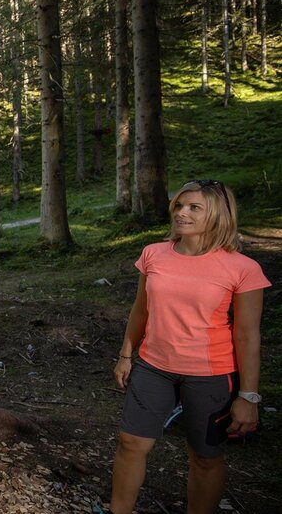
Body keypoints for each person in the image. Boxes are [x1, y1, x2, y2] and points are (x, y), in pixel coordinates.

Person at [108, 180, 270, 514]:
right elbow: (141, 310)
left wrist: (249, 396)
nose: (181, 212)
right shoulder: (154, 253)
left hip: (210, 375)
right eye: (179, 205)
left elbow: (247, 335)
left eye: (194, 207)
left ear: (218, 214)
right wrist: (126, 355)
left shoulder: (242, 268)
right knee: (131, 443)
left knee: (205, 457)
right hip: (153, 366)